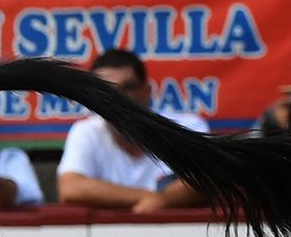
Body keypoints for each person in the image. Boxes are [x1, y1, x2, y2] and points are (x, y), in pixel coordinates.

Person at [56, 48, 207, 212]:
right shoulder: (86, 131)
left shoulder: (187, 126)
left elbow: (205, 181)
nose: (117, 97)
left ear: (147, 90)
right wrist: (155, 199)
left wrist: (163, 201)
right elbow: (71, 188)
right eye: (105, 90)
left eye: (128, 87)